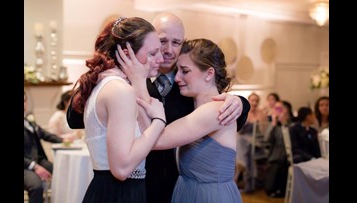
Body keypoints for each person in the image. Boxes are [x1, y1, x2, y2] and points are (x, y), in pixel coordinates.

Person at [67, 13, 250, 203]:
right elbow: (75, 117)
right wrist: (100, 76)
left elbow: (226, 117)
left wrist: (240, 102)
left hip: (175, 188)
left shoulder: (190, 88)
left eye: (176, 42)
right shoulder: (125, 84)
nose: (168, 50)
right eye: (162, 42)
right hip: (139, 187)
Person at [72, 17, 166, 202]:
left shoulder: (110, 84)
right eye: (153, 53)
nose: (161, 59)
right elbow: (121, 169)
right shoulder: (119, 90)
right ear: (127, 53)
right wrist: (159, 121)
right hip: (118, 193)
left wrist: (139, 82)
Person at [137, 38, 243, 202]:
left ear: (209, 73)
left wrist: (137, 78)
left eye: (185, 71)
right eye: (177, 70)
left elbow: (155, 141)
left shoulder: (215, 110)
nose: (177, 78)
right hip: (188, 191)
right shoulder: (196, 108)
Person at [24, 90, 67, 203]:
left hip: (39, 159)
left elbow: (44, 134)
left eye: (24, 101)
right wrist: (35, 167)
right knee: (36, 186)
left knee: (62, 173)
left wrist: (63, 140)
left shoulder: (28, 119)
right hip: (25, 165)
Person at [263, 100, 296, 198]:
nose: (275, 111)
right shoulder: (275, 126)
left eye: (278, 109)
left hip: (289, 159)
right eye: (275, 108)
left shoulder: (293, 125)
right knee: (268, 190)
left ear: (286, 110)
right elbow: (266, 139)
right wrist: (273, 123)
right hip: (275, 159)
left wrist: (284, 123)